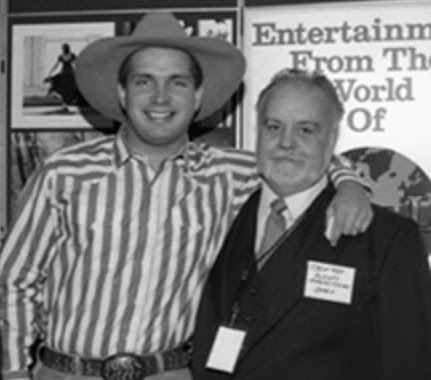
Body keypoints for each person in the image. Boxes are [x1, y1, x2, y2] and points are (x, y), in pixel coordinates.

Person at [0, 13, 372, 380]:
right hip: (66, 374)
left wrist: (349, 183)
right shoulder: (63, 173)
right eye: (144, 81)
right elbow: (15, 279)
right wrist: (14, 372)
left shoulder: (227, 175)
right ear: (122, 93)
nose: (160, 96)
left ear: (196, 97)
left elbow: (296, 153)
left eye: (177, 83)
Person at [191, 68, 431, 380]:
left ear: (332, 139)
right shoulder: (220, 206)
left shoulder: (388, 238)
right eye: (273, 126)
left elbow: (409, 364)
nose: (286, 142)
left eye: (306, 130)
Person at [44, 43, 78, 113]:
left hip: (64, 73)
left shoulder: (61, 56)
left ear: (63, 49)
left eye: (62, 48)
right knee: (69, 89)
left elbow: (56, 66)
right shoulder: (72, 55)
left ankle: (65, 105)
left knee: (63, 89)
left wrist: (50, 72)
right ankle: (66, 105)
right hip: (70, 73)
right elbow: (76, 64)